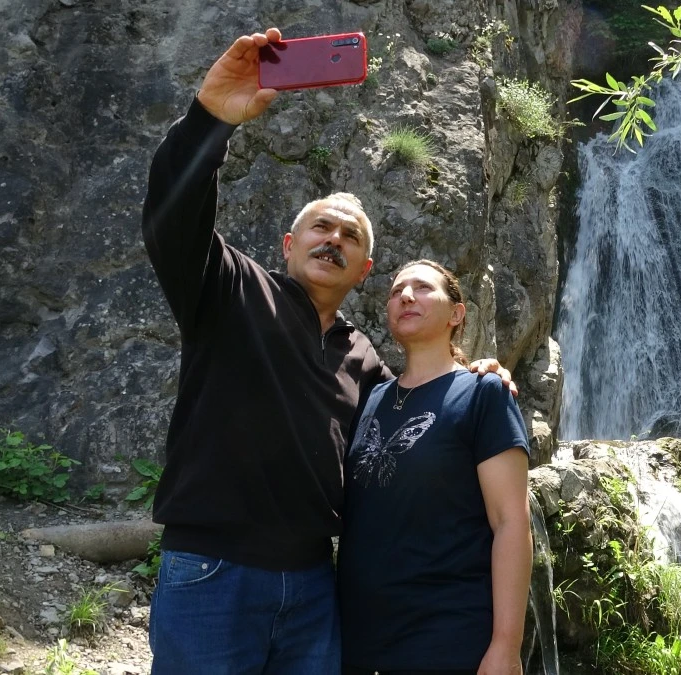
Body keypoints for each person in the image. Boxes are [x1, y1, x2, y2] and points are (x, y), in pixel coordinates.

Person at [141, 29, 515, 674]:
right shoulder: (227, 287)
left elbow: (417, 409)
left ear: (363, 271)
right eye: (321, 227)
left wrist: (476, 371)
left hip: (315, 586)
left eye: (350, 236)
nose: (334, 239)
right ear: (289, 245)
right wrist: (209, 119)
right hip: (213, 571)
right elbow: (171, 216)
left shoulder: (363, 357)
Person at [338, 260, 533, 675]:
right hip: (358, 641)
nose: (406, 296)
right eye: (396, 291)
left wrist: (506, 646)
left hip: (447, 639)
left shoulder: (484, 394)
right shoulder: (371, 397)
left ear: (456, 314)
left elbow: (511, 523)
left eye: (423, 288)